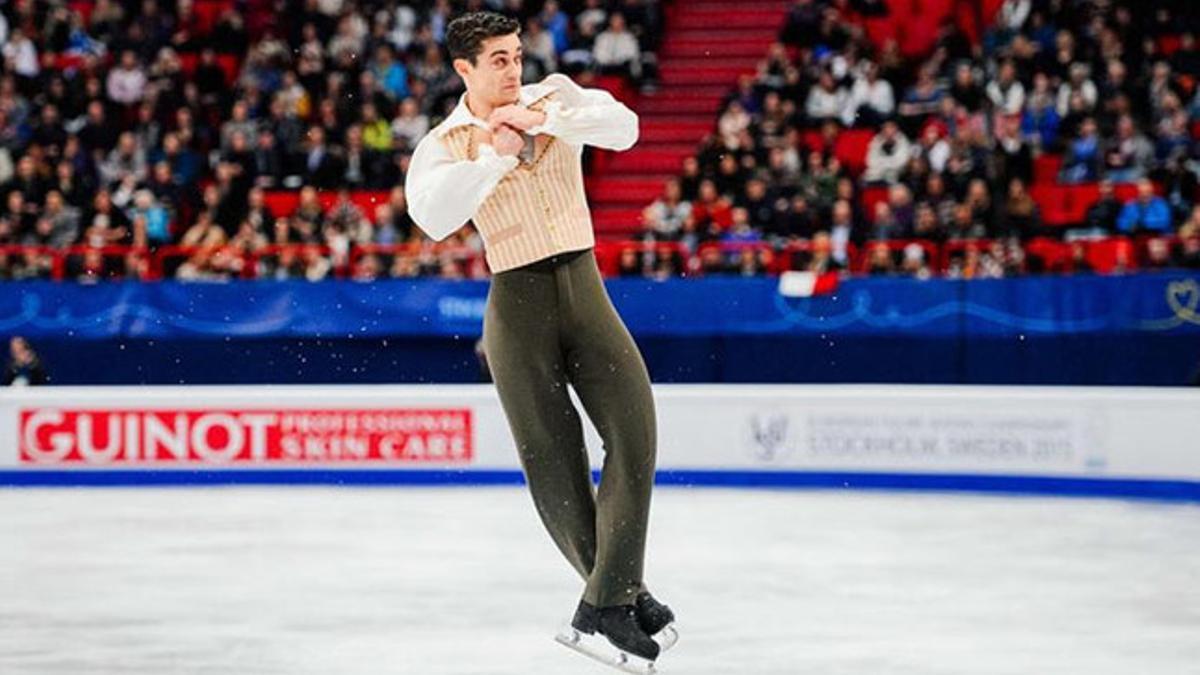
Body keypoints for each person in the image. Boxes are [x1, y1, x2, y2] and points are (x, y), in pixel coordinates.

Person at [404, 12, 674, 668]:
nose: (512, 69)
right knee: (553, 463)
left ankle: (600, 602)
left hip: (584, 286)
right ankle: (618, 595)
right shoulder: (447, 141)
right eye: (497, 60)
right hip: (516, 305)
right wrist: (494, 157)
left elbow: (625, 127)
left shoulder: (553, 95)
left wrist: (544, 121)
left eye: (515, 54)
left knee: (635, 430)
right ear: (463, 68)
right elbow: (433, 216)